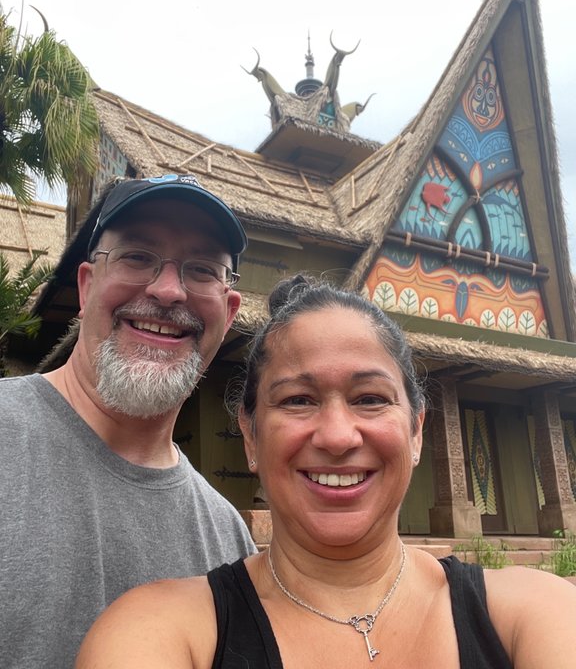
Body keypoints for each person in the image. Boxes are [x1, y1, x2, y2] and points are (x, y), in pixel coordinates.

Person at [75, 274, 576, 669]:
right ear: (250, 436)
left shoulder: (534, 615)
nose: (338, 436)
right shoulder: (164, 631)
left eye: (370, 399)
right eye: (298, 400)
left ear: (417, 431)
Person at [0, 174, 257, 669]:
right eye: (137, 256)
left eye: (202, 268)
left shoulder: (228, 540)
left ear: (227, 312)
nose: (167, 291)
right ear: (87, 285)